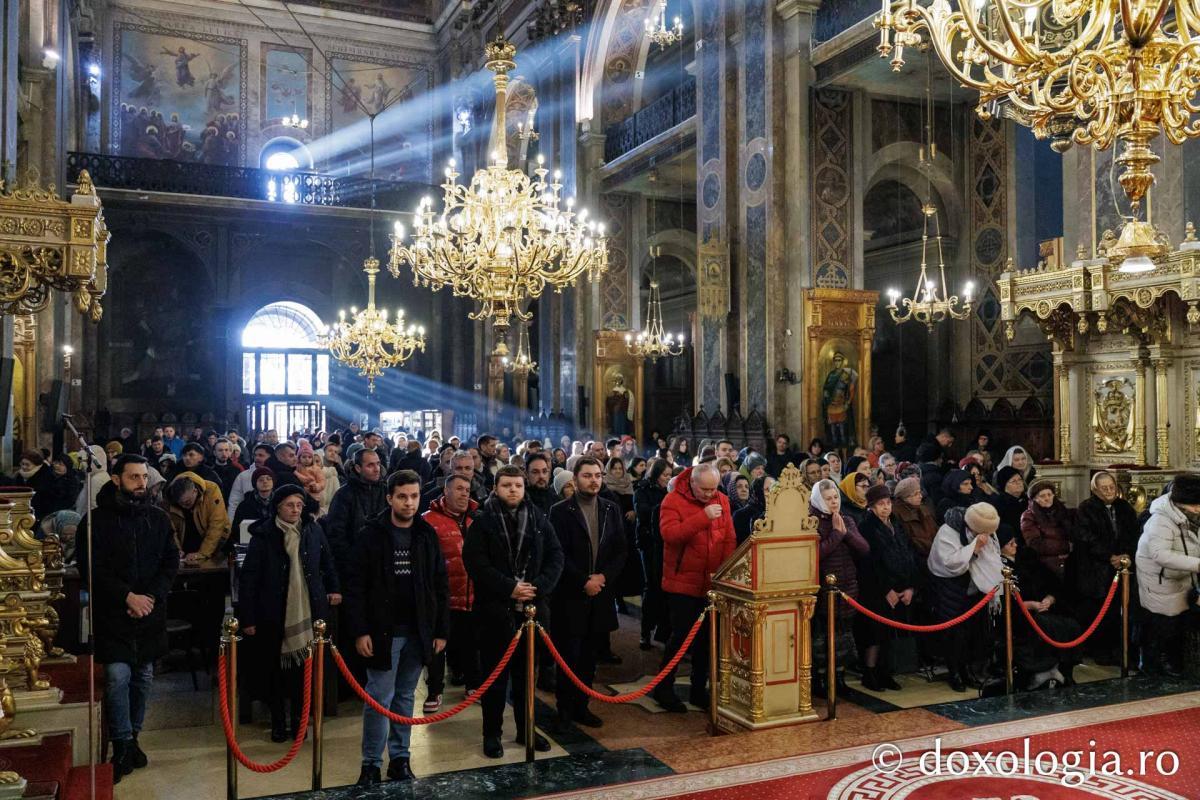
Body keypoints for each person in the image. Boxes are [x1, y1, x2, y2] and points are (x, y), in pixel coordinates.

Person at [78, 455, 177, 782]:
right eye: (134, 477)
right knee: (118, 676)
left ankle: (133, 737)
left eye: (144, 477)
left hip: (148, 612)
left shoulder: (158, 518)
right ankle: (121, 743)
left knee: (143, 677)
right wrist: (127, 596)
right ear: (116, 479)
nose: (141, 483)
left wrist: (150, 597)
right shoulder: (95, 521)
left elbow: (170, 562)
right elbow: (91, 568)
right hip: (114, 612)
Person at [347, 471, 450, 785]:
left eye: (414, 496)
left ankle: (400, 759)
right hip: (383, 630)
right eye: (402, 496)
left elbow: (439, 584)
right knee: (379, 697)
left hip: (417, 630)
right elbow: (356, 586)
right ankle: (371, 763)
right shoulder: (371, 535)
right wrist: (360, 630)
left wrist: (440, 630)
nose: (409, 503)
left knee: (405, 697)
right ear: (390, 498)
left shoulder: (426, 534)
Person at [463, 465, 563, 758]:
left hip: (531, 609)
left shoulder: (538, 518)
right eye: (507, 485)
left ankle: (526, 728)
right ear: (496, 488)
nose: (513, 490)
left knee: (526, 676)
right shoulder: (483, 521)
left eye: (518, 485)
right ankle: (492, 733)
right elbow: (476, 562)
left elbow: (556, 555)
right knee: (495, 677)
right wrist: (509, 587)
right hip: (496, 610)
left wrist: (538, 586)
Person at [239, 485, 340, 742]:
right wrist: (248, 618)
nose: (295, 510)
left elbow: (327, 561)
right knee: (275, 670)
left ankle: (299, 719)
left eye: (299, 505)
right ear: (278, 507)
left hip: (308, 607)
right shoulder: (264, 535)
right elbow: (249, 578)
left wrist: (334, 588)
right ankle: (278, 720)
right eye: (289, 505)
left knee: (303, 672)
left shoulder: (312, 530)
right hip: (273, 611)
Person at [548, 457, 626, 729]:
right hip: (571, 594)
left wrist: (603, 577)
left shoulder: (611, 508)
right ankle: (564, 709)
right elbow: (558, 553)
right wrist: (583, 581)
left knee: (589, 657)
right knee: (568, 655)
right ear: (575, 479)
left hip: (600, 593)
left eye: (597, 475)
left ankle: (582, 706)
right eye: (587, 476)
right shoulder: (560, 511)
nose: (594, 480)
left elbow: (620, 550)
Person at [653, 463, 736, 712]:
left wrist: (723, 572)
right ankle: (663, 688)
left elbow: (729, 537)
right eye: (704, 489)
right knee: (680, 639)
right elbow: (670, 535)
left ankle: (699, 690)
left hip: (712, 583)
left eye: (713, 489)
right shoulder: (672, 500)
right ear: (692, 483)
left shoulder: (722, 499)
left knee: (707, 641)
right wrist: (703, 517)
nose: (710, 494)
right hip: (682, 583)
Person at [928, 503, 1003, 692]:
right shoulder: (948, 531)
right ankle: (954, 673)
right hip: (951, 589)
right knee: (954, 633)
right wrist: (974, 547)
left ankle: (967, 670)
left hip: (974, 590)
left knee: (971, 633)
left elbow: (993, 556)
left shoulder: (984, 530)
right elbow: (949, 563)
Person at [422, 474, 479, 711]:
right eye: (459, 489)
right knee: (438, 645)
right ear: (446, 491)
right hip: (441, 596)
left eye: (467, 489)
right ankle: (434, 691)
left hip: (471, 594)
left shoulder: (476, 518)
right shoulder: (428, 520)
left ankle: (473, 684)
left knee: (471, 643)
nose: (465, 493)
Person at [1071, 471, 1140, 665]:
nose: (1109, 491)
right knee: (1100, 611)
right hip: (1097, 568)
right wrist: (1110, 556)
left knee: (1122, 610)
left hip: (1123, 565)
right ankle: (1100, 651)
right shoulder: (1086, 508)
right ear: (1095, 490)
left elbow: (1134, 534)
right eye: (1104, 488)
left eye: (1112, 487)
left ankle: (1121, 650)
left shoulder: (1124, 507)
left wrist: (1126, 555)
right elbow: (1086, 537)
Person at [1135, 474, 1200, 676]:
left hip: (1182, 579)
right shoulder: (1160, 521)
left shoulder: (1189, 515)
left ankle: (1173, 666)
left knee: (1177, 628)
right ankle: (1152, 671)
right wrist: (1198, 564)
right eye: (1196, 504)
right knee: (1161, 629)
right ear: (1184, 503)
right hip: (1161, 583)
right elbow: (1160, 555)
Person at [857, 484, 920, 691]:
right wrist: (886, 590)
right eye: (880, 504)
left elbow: (908, 554)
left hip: (900, 587)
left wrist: (910, 587)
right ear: (872, 507)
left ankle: (886, 672)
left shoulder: (895, 524)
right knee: (875, 634)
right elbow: (870, 563)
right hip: (877, 591)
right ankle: (870, 673)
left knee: (891, 635)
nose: (886, 507)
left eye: (888, 503)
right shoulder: (866, 527)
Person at [1004, 528, 1081, 690]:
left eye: (1015, 542)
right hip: (1021, 612)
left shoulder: (1027, 558)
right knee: (1045, 625)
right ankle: (1044, 670)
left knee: (1070, 624)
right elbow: (1005, 601)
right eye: (1010, 543)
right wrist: (1030, 605)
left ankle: (1065, 668)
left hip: (1043, 607)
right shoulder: (1001, 565)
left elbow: (1050, 582)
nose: (1015, 545)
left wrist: (1050, 598)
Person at [811, 478, 870, 691]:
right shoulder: (811, 522)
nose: (834, 502)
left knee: (843, 635)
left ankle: (839, 676)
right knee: (822, 637)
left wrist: (845, 532)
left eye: (836, 497)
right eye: (828, 499)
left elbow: (864, 548)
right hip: (824, 588)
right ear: (819, 500)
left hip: (847, 587)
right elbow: (815, 554)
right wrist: (836, 534)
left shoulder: (846, 519)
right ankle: (819, 678)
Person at [324, 448, 387, 582]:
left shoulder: (387, 492)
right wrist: (351, 559)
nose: (377, 469)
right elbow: (336, 533)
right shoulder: (344, 495)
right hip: (354, 567)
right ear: (358, 468)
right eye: (370, 465)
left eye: (378, 464)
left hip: (382, 564)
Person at [634, 458, 672, 650]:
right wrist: (665, 508)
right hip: (649, 543)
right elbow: (643, 513)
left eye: (670, 475)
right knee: (652, 587)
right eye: (665, 475)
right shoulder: (642, 490)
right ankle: (645, 631)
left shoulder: (669, 491)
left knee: (666, 588)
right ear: (656, 475)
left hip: (666, 543)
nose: (668, 478)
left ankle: (663, 631)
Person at [165, 471, 231, 562]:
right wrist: (176, 550)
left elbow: (217, 525)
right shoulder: (170, 499)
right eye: (180, 504)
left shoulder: (212, 490)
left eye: (187, 502)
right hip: (186, 545)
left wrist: (202, 553)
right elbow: (171, 530)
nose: (184, 506)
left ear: (195, 491)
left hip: (217, 544)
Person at [1020, 480, 1073, 581]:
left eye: (1049, 494)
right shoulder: (1029, 516)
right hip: (1045, 564)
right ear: (1035, 499)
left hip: (1068, 561)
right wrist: (1065, 546)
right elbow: (1034, 544)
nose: (1047, 498)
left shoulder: (1061, 511)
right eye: (1042, 496)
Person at [892, 476, 936, 557]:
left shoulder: (923, 509)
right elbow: (911, 543)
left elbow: (935, 529)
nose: (920, 496)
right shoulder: (897, 515)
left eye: (920, 492)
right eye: (916, 494)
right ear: (905, 497)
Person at [228, 443, 274, 519]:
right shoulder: (243, 476)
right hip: (248, 520)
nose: (257, 458)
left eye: (261, 455)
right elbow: (234, 502)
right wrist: (232, 522)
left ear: (270, 457)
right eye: (255, 455)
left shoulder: (276, 475)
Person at [987, 466, 1028, 543]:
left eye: (1020, 479)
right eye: (1013, 481)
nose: (1018, 483)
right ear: (1004, 485)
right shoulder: (999, 502)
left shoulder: (1027, 499)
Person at [231, 467, 275, 539]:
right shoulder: (245, 505)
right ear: (255, 483)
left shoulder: (279, 503)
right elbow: (236, 530)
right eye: (261, 479)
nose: (265, 482)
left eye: (269, 479)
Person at [13, 450, 56, 520]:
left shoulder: (46, 475)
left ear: (36, 464)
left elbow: (47, 498)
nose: (24, 467)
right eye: (22, 464)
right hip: (22, 511)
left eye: (27, 464)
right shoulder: (19, 475)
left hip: (40, 513)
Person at [733, 475, 772, 544]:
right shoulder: (741, 515)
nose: (772, 492)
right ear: (759, 492)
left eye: (774, 488)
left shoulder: (780, 511)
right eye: (767, 489)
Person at [210, 438, 243, 502]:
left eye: (226, 450)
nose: (224, 453)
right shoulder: (209, 471)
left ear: (230, 452)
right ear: (214, 452)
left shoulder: (236, 470)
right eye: (220, 450)